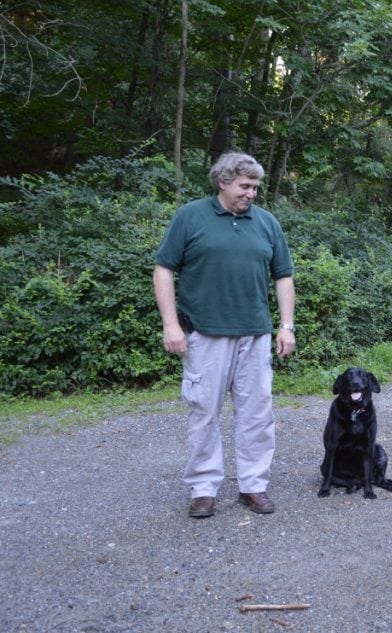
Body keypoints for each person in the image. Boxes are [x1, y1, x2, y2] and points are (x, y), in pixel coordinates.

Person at [153, 151, 296, 518]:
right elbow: (164, 269)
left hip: (256, 334)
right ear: (223, 181)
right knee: (204, 413)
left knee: (257, 414)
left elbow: (283, 276)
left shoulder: (266, 223)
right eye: (245, 186)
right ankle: (203, 489)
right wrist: (171, 324)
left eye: (255, 187)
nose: (252, 194)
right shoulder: (191, 217)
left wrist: (286, 325)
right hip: (206, 334)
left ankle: (253, 486)